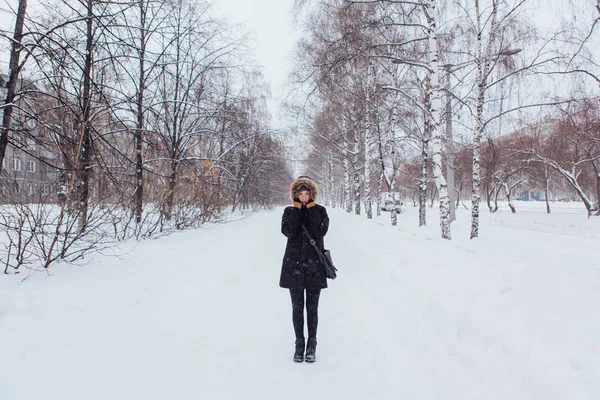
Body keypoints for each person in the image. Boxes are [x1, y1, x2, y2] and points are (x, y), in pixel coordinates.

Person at [279, 176, 330, 363]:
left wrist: (310, 209)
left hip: (315, 267)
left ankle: (312, 345)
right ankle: (299, 344)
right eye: (300, 194)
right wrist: (297, 210)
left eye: (306, 193)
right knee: (297, 308)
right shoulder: (289, 211)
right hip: (294, 266)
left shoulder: (321, 211)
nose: (303, 197)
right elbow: (288, 232)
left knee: (312, 308)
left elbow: (320, 231)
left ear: (312, 194)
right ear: (295, 195)